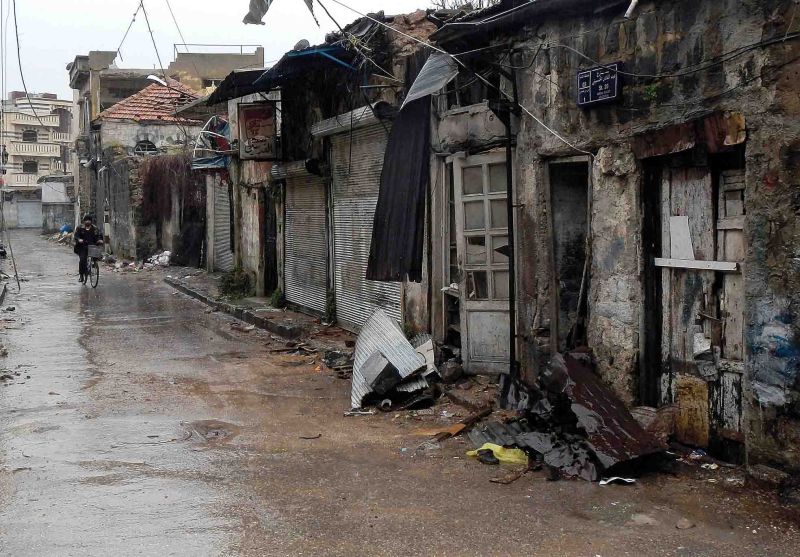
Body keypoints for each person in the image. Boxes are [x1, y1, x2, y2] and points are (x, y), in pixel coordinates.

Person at [74, 214, 103, 282]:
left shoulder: (95, 228)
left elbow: (99, 235)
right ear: (84, 221)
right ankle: (81, 275)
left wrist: (100, 240)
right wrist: (79, 239)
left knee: (96, 257)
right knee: (82, 260)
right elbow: (76, 236)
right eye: (86, 220)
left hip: (92, 246)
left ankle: (93, 266)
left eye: (89, 220)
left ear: (91, 221)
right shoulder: (80, 228)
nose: (87, 222)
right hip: (82, 247)